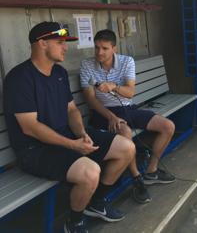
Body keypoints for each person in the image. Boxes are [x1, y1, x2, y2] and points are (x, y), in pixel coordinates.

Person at [3, 22, 136, 233]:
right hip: (35, 150)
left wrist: (81, 134)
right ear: (42, 43)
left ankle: (96, 202)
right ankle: (74, 222)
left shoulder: (59, 73)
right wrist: (73, 145)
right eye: (60, 42)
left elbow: (72, 110)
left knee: (126, 147)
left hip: (65, 137)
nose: (66, 47)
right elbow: (30, 128)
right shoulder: (19, 78)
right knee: (91, 171)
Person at [80, 29, 176, 205]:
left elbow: (130, 92)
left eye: (104, 48)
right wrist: (110, 116)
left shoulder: (126, 62)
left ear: (114, 49)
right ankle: (136, 178)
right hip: (102, 113)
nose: (99, 52)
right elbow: (90, 100)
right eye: (96, 47)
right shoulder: (87, 65)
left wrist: (113, 86)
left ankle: (151, 171)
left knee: (167, 126)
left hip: (127, 108)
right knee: (125, 132)